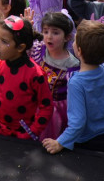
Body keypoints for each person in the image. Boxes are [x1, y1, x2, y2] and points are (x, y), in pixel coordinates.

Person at [43, 20, 104, 154]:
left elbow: (78, 123)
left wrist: (60, 142)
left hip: (88, 141)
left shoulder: (76, 82)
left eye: (75, 39)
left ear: (79, 50)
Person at [0, 16, 53, 139]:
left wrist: (31, 133)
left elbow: (46, 106)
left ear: (20, 47)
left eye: (4, 41)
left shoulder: (36, 74)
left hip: (24, 137)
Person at [28, 12, 80, 141]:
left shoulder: (73, 65)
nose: (49, 37)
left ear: (67, 37)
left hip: (54, 114)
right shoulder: (37, 49)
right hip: (32, 105)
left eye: (55, 33)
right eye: (45, 32)